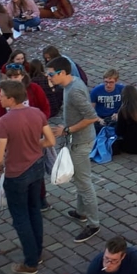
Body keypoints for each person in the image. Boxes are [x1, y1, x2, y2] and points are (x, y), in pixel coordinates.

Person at [0, 79, 56, 274]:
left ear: (11, 99)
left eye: (2, 95)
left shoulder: (5, 121)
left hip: (16, 173)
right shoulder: (36, 113)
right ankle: (37, 252)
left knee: (20, 217)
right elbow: (50, 140)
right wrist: (33, 145)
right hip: (36, 167)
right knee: (34, 210)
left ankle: (30, 262)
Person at [48, 57, 101, 243]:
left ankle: (93, 224)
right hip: (77, 139)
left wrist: (67, 130)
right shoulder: (71, 84)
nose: (49, 78)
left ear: (62, 73)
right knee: (79, 178)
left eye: (51, 74)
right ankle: (81, 212)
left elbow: (92, 117)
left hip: (81, 141)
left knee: (84, 182)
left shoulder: (74, 91)